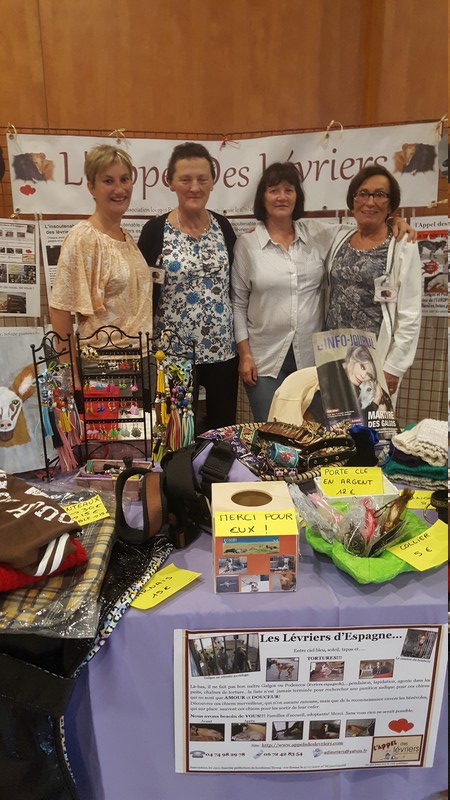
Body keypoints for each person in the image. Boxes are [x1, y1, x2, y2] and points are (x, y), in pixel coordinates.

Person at [231, 162, 413, 422]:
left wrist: (394, 220)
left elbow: (366, 223)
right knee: (272, 430)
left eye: (289, 190)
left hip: (313, 359)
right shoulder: (247, 245)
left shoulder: (317, 235)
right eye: (273, 190)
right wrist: (245, 355)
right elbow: (238, 303)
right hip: (265, 360)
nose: (282, 197)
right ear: (262, 197)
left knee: (318, 433)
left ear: (297, 196)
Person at [138, 142, 238, 431]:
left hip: (222, 351)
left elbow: (236, 285)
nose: (194, 187)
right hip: (173, 353)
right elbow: (143, 292)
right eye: (185, 179)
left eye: (202, 179)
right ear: (170, 182)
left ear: (213, 182)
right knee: (176, 434)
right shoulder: (155, 231)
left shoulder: (223, 227)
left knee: (222, 432)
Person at [50, 144, 152, 391]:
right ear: (91, 187)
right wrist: (71, 376)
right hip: (106, 366)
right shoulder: (83, 238)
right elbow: (60, 308)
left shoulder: (126, 237)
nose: (119, 189)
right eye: (108, 181)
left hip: (143, 360)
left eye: (124, 179)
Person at [325, 165, 422, 397]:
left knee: (371, 419)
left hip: (376, 358)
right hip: (333, 353)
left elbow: (410, 314)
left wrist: (394, 368)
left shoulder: (402, 246)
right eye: (363, 194)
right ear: (353, 201)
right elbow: (296, 228)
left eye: (379, 195)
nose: (370, 202)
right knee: (334, 418)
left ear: (390, 203)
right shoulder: (339, 236)